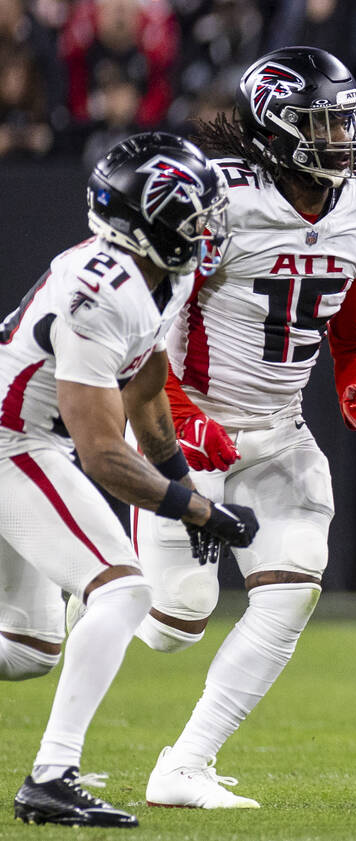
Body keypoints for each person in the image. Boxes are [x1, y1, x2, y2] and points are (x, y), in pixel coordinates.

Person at [133, 45, 356, 809]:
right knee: (176, 619)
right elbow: (145, 327)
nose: (345, 138)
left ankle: (185, 764)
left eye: (349, 120)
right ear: (276, 131)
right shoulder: (216, 198)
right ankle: (83, 590)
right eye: (324, 123)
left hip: (279, 430)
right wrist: (181, 421)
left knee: (293, 586)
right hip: (187, 425)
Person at [0, 131, 258, 827]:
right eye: (193, 215)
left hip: (28, 443)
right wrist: (198, 510)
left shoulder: (161, 276)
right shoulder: (99, 290)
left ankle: (52, 775)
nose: (207, 229)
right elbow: (102, 454)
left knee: (27, 650)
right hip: (13, 442)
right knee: (122, 589)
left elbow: (146, 392)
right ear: (144, 220)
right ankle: (51, 777)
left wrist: (183, 485)